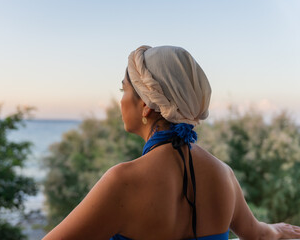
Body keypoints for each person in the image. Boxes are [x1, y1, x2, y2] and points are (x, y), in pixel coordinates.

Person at [43, 46, 300, 240]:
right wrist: (277, 231)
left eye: (124, 91)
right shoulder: (224, 175)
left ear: (145, 105)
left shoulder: (122, 182)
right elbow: (257, 234)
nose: (120, 101)